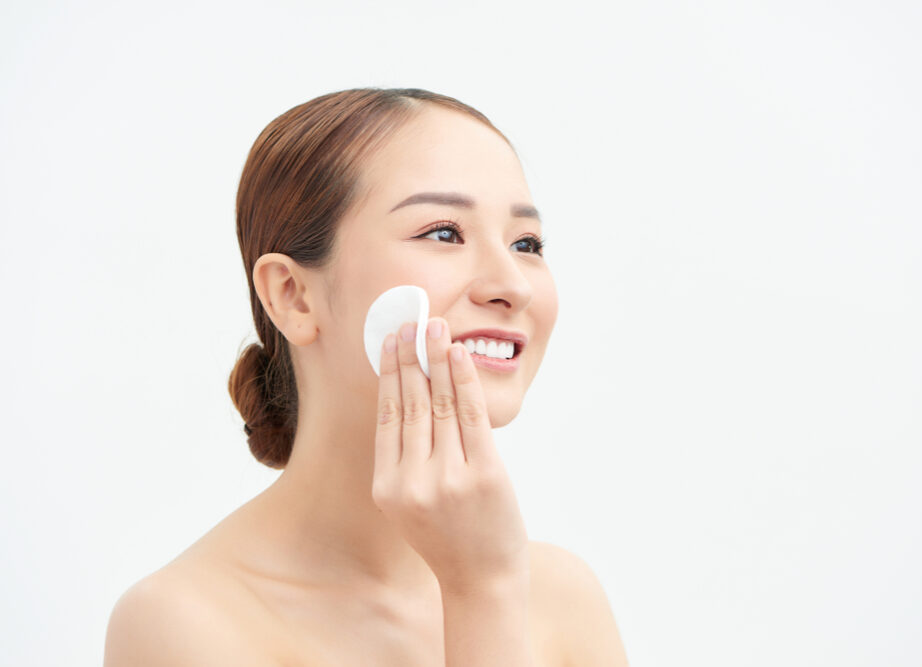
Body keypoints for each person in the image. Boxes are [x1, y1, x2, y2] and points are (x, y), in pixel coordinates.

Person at [103, 87, 628, 666]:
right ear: (294, 296)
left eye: (526, 243)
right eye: (444, 233)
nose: (514, 285)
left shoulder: (563, 600)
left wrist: (489, 587)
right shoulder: (182, 624)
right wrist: (480, 593)